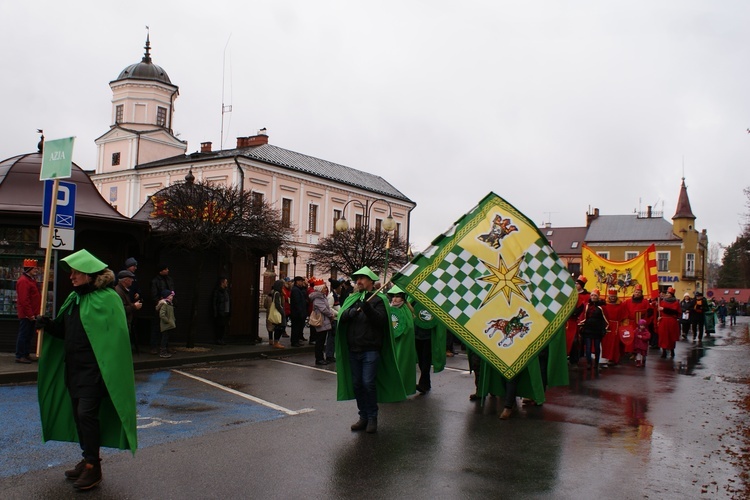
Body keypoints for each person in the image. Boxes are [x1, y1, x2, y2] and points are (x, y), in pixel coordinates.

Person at [36, 249, 137, 491]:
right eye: (71, 272)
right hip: (74, 369)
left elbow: (117, 339)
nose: (71, 276)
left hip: (96, 371)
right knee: (79, 416)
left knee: (86, 415)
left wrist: (108, 370)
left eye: (76, 272)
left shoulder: (108, 299)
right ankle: (87, 458)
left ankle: (94, 466)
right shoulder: (75, 299)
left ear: (90, 274)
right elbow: (65, 332)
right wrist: (48, 325)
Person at [335, 266, 406, 434]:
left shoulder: (379, 300)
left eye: (362, 278)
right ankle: (363, 417)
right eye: (357, 278)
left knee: (368, 383)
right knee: (358, 384)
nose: (358, 281)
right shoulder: (352, 298)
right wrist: (350, 313)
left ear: (371, 281)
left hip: (370, 349)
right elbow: (341, 317)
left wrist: (367, 307)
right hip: (354, 348)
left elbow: (381, 321)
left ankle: (373, 417)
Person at [410, 297, 447, 395]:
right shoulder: (414, 300)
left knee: (426, 360)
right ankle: (426, 383)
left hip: (429, 336)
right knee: (421, 361)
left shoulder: (434, 301)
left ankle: (423, 384)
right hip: (417, 334)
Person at [387, 285, 417, 396]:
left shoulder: (406, 309)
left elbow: (409, 327)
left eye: (397, 297)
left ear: (403, 298)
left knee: (402, 364)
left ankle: (402, 388)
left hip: (403, 343)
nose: (394, 299)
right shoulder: (389, 308)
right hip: (392, 342)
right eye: (393, 297)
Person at [15, 258, 41, 364]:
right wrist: (30, 314)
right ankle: (20, 355)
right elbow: (24, 300)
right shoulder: (24, 281)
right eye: (34, 268)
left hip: (31, 314)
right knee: (24, 334)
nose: (36, 270)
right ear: (29, 268)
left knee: (28, 335)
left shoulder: (30, 279)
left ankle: (25, 354)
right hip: (27, 315)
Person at [578, 288, 608, 373]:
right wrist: (581, 325)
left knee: (597, 347)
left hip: (597, 329)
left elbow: (604, 318)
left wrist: (604, 329)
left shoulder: (601, 307)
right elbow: (584, 316)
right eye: (592, 295)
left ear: (598, 297)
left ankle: (596, 363)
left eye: (595, 295)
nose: (593, 297)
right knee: (588, 347)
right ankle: (589, 363)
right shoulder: (587, 305)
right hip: (588, 329)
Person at [114, 270, 142, 352]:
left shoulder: (123, 290)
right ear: (125, 280)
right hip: (122, 324)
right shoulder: (119, 291)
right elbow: (121, 309)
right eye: (131, 279)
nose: (132, 281)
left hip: (125, 323)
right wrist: (134, 306)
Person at [150, 264, 175, 355]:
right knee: (157, 326)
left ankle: (165, 346)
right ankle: (154, 346)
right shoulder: (156, 281)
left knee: (168, 327)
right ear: (161, 271)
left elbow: (172, 289)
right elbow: (154, 294)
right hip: (161, 304)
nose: (167, 270)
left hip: (168, 304)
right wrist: (159, 302)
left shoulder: (169, 279)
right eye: (165, 269)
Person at [309, 281, 336, 364]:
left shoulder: (321, 296)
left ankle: (321, 358)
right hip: (321, 321)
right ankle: (319, 358)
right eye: (324, 288)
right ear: (320, 288)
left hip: (324, 320)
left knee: (321, 340)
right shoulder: (318, 298)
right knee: (320, 341)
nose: (326, 289)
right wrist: (331, 315)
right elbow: (323, 309)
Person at [566, 275, 590, 364]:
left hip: (577, 319)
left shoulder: (586, 295)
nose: (575, 285)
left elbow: (582, 307)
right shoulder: (570, 294)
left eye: (577, 284)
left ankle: (575, 358)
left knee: (576, 340)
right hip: (567, 322)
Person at [658, 287, 681, 358]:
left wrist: (664, 309)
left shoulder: (676, 302)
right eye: (667, 293)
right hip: (663, 321)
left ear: (672, 294)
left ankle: (672, 350)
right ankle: (664, 351)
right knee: (663, 336)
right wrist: (659, 316)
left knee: (671, 337)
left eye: (668, 293)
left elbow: (675, 312)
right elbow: (659, 311)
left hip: (671, 321)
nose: (667, 294)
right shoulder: (662, 301)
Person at [326, 278, 342, 363]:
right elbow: (329, 308)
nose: (341, 289)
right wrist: (338, 313)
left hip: (336, 319)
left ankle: (331, 354)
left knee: (333, 338)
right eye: (340, 287)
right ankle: (329, 355)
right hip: (333, 320)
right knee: (331, 339)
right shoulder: (332, 297)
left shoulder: (335, 296)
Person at [156, 289, 176, 358]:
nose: (172, 297)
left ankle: (165, 350)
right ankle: (163, 352)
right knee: (164, 338)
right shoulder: (165, 304)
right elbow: (162, 315)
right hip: (166, 325)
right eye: (171, 295)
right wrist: (168, 321)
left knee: (166, 337)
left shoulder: (169, 304)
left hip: (168, 324)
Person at [267, 280, 287, 348]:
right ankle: (276, 342)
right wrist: (282, 312)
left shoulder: (277, 292)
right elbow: (277, 304)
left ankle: (276, 341)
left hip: (279, 311)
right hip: (279, 312)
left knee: (279, 327)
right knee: (280, 327)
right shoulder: (277, 293)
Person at [212, 277, 231, 345]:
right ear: (222, 283)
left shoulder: (226, 291)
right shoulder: (218, 291)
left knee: (223, 327)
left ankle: (221, 339)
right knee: (219, 326)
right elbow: (214, 302)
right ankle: (219, 339)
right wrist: (215, 312)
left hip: (225, 311)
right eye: (226, 282)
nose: (227, 283)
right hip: (220, 312)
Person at [290, 276, 308, 347]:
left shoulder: (298, 290)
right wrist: (301, 312)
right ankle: (294, 341)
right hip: (296, 313)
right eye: (301, 281)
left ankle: (296, 340)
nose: (302, 282)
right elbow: (297, 302)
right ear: (297, 281)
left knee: (297, 327)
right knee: (295, 328)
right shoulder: (295, 290)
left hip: (298, 313)